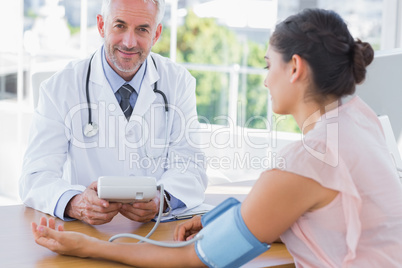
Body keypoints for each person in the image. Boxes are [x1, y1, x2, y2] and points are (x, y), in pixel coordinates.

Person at [31, 8, 402, 267]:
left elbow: (198, 257)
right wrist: (215, 220)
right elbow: (283, 210)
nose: (264, 79)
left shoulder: (304, 163)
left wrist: (90, 248)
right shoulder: (360, 120)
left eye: (266, 64)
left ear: (295, 68)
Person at [20, 0, 208, 225]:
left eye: (142, 29)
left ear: (156, 33)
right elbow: (35, 176)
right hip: (87, 234)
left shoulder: (178, 82)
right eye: (119, 26)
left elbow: (190, 165)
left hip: (153, 233)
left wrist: (162, 200)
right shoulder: (59, 88)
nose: (129, 42)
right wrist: (75, 202)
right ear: (101, 26)